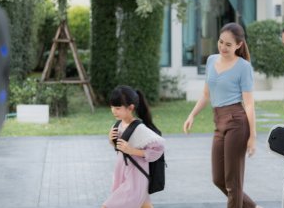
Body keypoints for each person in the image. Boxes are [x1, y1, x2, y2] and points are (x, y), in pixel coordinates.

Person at [183, 23, 260, 208]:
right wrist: (192, 115)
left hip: (237, 122)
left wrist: (252, 136)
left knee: (233, 182)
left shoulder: (243, 67)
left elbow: (249, 104)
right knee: (219, 178)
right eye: (221, 42)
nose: (223, 47)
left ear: (239, 45)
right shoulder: (211, 60)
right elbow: (206, 95)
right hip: (219, 121)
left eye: (228, 44)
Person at [102, 85, 164, 208]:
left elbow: (159, 148)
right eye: (112, 107)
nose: (114, 111)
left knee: (107, 206)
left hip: (136, 177)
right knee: (145, 205)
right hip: (123, 173)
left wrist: (132, 150)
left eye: (118, 108)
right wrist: (111, 140)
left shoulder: (140, 129)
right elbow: (120, 148)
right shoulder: (118, 125)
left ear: (130, 108)